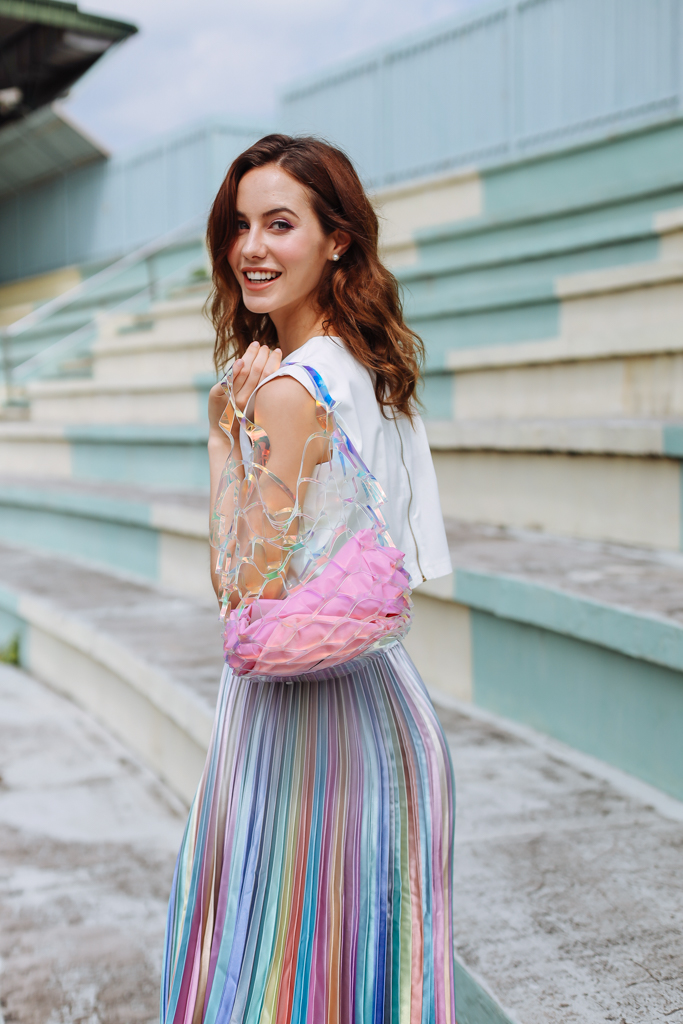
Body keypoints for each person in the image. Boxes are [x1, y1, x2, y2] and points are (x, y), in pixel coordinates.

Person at [161, 134, 456, 1024]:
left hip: (304, 739)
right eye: (240, 225)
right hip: (383, 712)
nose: (251, 247)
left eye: (280, 223)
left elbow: (242, 590)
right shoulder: (369, 363)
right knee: (367, 984)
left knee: (273, 983)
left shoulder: (289, 390)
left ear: (336, 239)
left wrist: (226, 431)